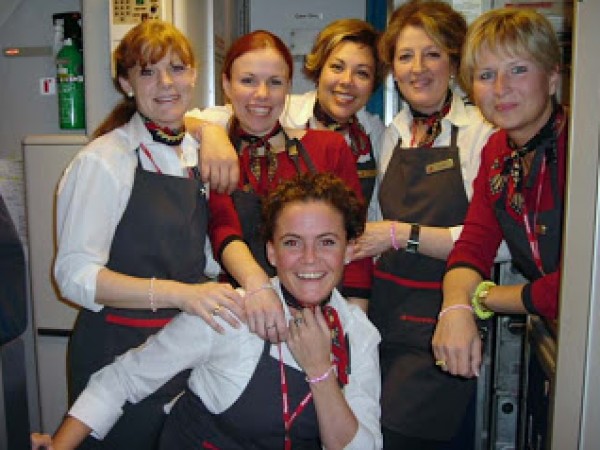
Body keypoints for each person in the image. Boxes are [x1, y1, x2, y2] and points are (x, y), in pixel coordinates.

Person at [31, 172, 383, 450]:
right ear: (271, 253)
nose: (309, 259)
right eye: (292, 242)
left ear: (349, 250)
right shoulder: (230, 313)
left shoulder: (359, 335)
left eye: (327, 242)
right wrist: (60, 446)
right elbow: (121, 379)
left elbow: (362, 445)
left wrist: (320, 371)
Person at [53, 20, 280, 449]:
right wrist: (181, 294)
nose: (166, 83)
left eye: (177, 68)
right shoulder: (104, 161)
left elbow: (204, 257)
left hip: (182, 349)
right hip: (115, 351)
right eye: (147, 72)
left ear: (194, 75)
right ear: (125, 84)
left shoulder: (195, 154)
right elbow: (74, 276)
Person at [351, 1, 495, 448]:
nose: (418, 68)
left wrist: (401, 235)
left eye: (432, 54)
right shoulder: (393, 133)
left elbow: (494, 243)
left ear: (454, 61)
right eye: (405, 56)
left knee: (401, 435)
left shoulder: (481, 132)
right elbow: (375, 224)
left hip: (444, 320)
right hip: (386, 318)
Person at [203, 29, 374, 330]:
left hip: (319, 315)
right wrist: (208, 131)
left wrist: (353, 324)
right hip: (240, 313)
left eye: (275, 82)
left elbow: (355, 241)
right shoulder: (217, 153)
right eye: (248, 81)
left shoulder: (328, 148)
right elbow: (223, 228)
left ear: (289, 88)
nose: (262, 94)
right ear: (226, 85)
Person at [432, 8, 567, 379]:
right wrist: (455, 307)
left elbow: (583, 285)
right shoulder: (498, 152)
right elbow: (474, 243)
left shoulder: (581, 148)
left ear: (552, 77)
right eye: (486, 75)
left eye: (518, 69)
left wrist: (483, 298)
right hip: (559, 333)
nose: (500, 88)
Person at [187, 18, 385, 224]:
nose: (347, 81)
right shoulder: (276, 110)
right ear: (319, 70)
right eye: (337, 67)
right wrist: (210, 132)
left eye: (362, 73)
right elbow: (185, 120)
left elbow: (365, 214)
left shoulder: (374, 132)